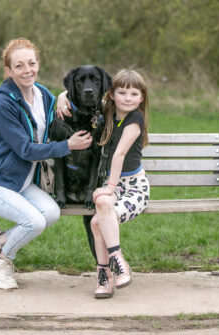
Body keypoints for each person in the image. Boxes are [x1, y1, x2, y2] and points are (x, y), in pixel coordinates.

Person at [0, 38, 93, 290]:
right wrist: (67, 146)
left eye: (32, 63)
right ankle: (4, 261)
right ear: (8, 71)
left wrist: (62, 95)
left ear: (38, 64)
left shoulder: (43, 95)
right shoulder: (4, 102)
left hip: (22, 181)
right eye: (19, 66)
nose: (27, 70)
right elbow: (26, 150)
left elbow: (61, 105)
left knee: (51, 213)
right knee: (34, 222)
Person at [58, 69, 150, 298]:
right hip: (116, 187)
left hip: (133, 188)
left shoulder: (134, 119)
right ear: (111, 95)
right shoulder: (108, 113)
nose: (128, 99)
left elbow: (118, 155)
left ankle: (111, 268)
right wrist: (62, 95)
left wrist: (109, 186)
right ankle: (110, 271)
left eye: (134, 94)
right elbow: (81, 92)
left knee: (99, 220)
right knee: (100, 205)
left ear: (142, 98)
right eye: (122, 93)